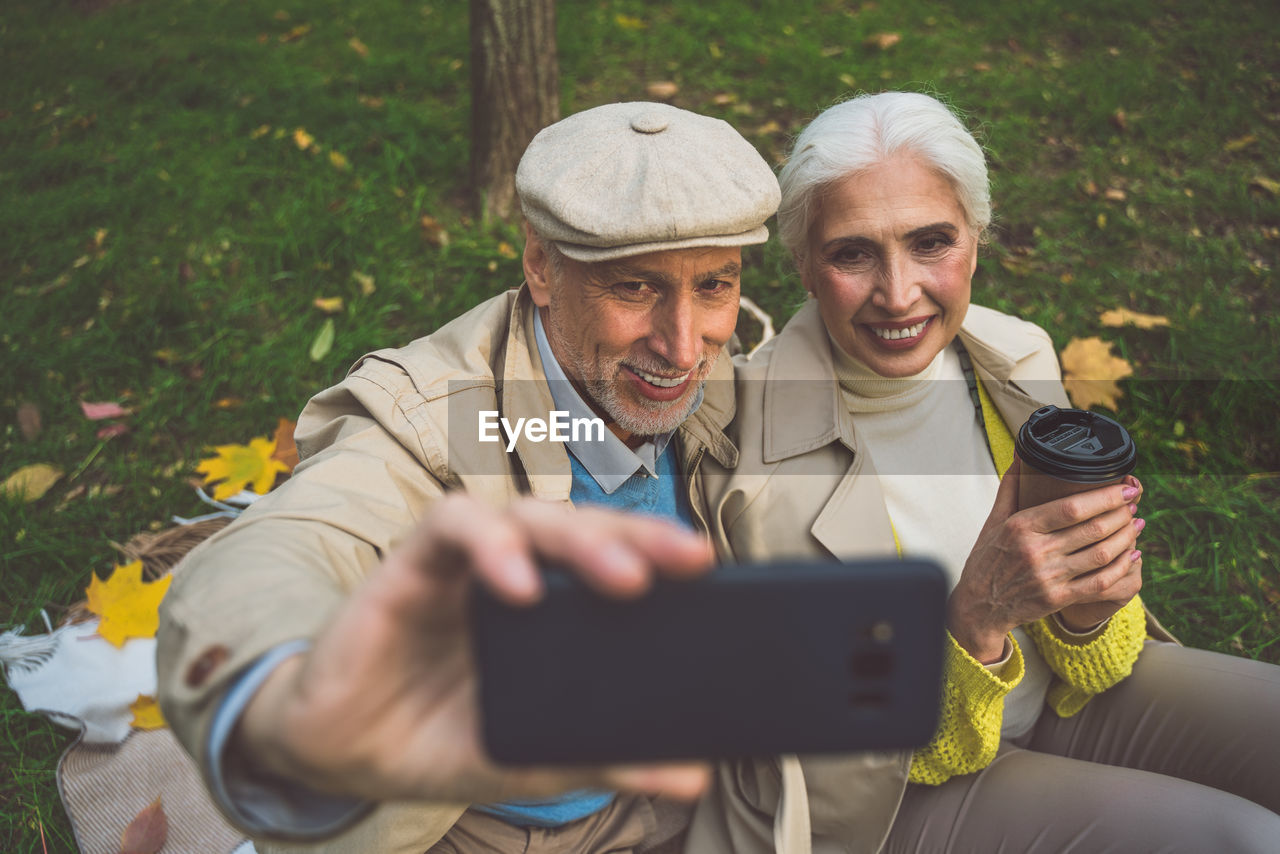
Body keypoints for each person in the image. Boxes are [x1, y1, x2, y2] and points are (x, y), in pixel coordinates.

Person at [157, 101, 780, 854]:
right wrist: (282, 702)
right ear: (541, 266)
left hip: (687, 807)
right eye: (635, 289)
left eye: (714, 286)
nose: (684, 348)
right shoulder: (434, 421)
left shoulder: (723, 379)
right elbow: (281, 547)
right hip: (482, 829)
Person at [694, 92, 1280, 853]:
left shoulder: (1016, 355)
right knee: (1243, 840)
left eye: (931, 242)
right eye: (852, 253)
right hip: (898, 792)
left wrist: (1087, 604)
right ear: (804, 264)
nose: (898, 293)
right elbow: (831, 768)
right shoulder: (746, 459)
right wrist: (974, 621)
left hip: (1064, 701)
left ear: (977, 238)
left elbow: (1099, 656)